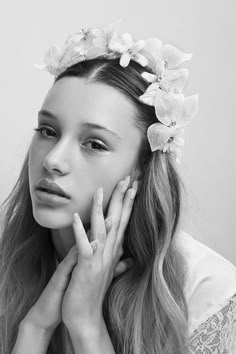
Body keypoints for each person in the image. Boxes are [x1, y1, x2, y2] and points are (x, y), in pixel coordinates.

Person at [0, 22, 236, 354]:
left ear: (142, 168)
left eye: (94, 144)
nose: (52, 159)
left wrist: (86, 327)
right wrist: (34, 330)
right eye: (48, 131)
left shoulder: (207, 292)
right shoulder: (6, 268)